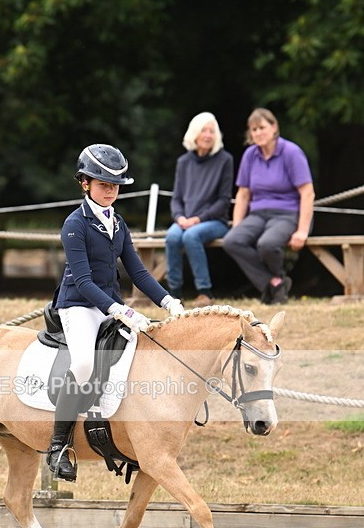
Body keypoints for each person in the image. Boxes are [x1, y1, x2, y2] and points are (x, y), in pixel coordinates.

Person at [46, 143, 185, 482]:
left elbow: (137, 273)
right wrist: (122, 310)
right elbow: (83, 279)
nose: (110, 191)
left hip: (108, 305)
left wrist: (168, 302)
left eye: (115, 185)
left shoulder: (118, 224)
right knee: (82, 363)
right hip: (78, 305)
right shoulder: (74, 225)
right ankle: (58, 445)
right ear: (85, 184)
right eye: (103, 184)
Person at [222, 107, 315, 304]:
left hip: (287, 213)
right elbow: (243, 193)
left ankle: (274, 286)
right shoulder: (250, 155)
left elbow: (307, 193)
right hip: (258, 214)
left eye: (262, 127)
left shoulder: (291, 152)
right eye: (253, 130)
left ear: (274, 127)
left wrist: (302, 230)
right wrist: (238, 224)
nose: (258, 133)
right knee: (232, 241)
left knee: (267, 244)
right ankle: (275, 282)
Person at [164, 112, 233, 308]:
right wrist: (179, 217)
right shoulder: (183, 162)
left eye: (212, 131)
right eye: (204, 130)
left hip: (215, 221)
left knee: (190, 236)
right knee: (172, 236)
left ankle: (205, 292)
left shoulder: (225, 160)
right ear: (194, 133)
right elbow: (176, 198)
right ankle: (174, 294)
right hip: (185, 221)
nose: (208, 135)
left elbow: (224, 200)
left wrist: (197, 219)